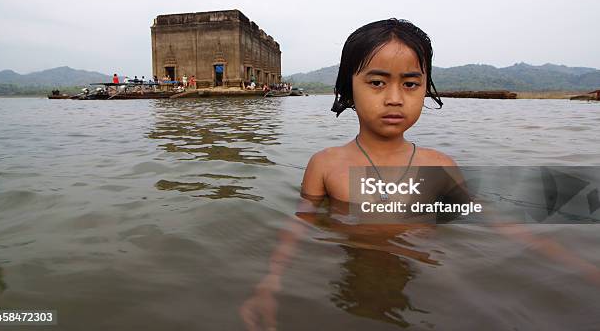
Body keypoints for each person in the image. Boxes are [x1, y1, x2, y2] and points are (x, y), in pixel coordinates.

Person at [241, 19, 600, 329]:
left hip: (427, 278)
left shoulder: (439, 166)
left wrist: (569, 260)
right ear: (348, 86)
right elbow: (299, 226)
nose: (395, 98)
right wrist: (271, 283)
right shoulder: (327, 164)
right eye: (377, 82)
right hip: (348, 276)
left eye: (410, 84)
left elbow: (494, 222)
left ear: (425, 88)